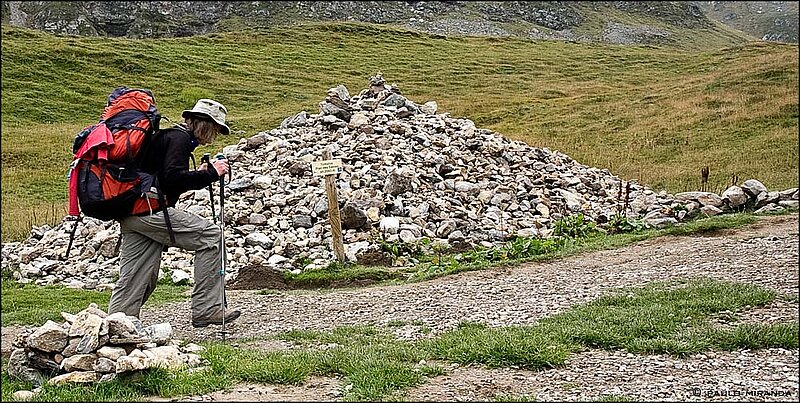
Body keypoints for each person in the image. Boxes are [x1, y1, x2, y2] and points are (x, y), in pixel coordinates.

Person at [108, 98, 241, 328]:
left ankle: (118, 325)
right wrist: (211, 174)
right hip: (149, 209)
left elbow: (167, 176)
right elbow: (173, 180)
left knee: (137, 273)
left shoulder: (169, 138)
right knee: (212, 237)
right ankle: (208, 309)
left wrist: (199, 174)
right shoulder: (179, 139)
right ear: (203, 124)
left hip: (131, 212)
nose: (215, 135)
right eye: (216, 129)